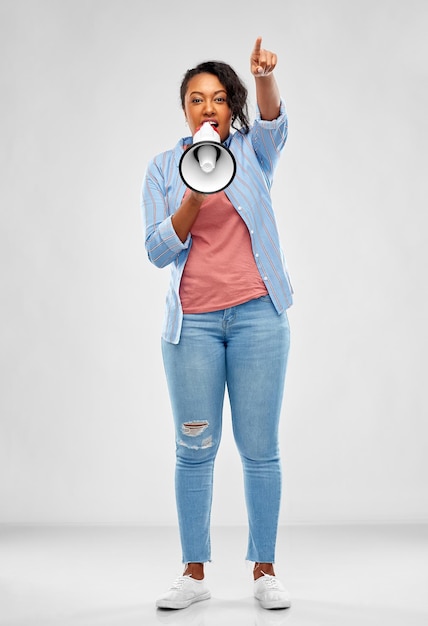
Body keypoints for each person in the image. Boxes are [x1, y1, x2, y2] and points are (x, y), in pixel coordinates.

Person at [141, 37, 293, 611]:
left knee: (259, 449)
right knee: (194, 448)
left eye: (219, 98)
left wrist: (262, 79)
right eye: (196, 99)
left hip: (259, 318)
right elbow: (157, 251)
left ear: (231, 106)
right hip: (194, 329)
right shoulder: (162, 168)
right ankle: (195, 573)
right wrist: (194, 194)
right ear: (184, 109)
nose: (208, 108)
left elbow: (275, 122)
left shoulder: (253, 153)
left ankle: (264, 570)